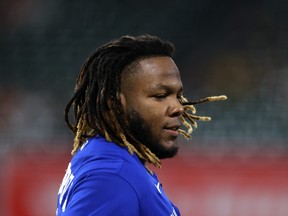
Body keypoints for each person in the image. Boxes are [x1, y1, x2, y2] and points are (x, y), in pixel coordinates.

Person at [56, 34, 226, 216]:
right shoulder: (112, 177)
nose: (178, 107)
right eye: (160, 96)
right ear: (114, 104)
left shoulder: (106, 155)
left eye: (178, 96)